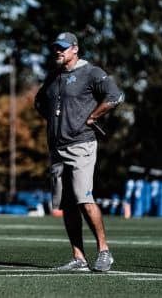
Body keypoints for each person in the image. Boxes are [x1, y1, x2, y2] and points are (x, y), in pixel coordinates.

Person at [35, 32, 124, 272]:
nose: (58, 51)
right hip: (56, 147)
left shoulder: (91, 72)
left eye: (63, 47)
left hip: (81, 145)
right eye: (56, 47)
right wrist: (58, 121)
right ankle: (79, 258)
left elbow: (115, 96)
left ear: (75, 49)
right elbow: (40, 102)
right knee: (67, 204)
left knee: (84, 199)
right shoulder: (53, 77)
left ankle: (104, 251)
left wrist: (92, 117)